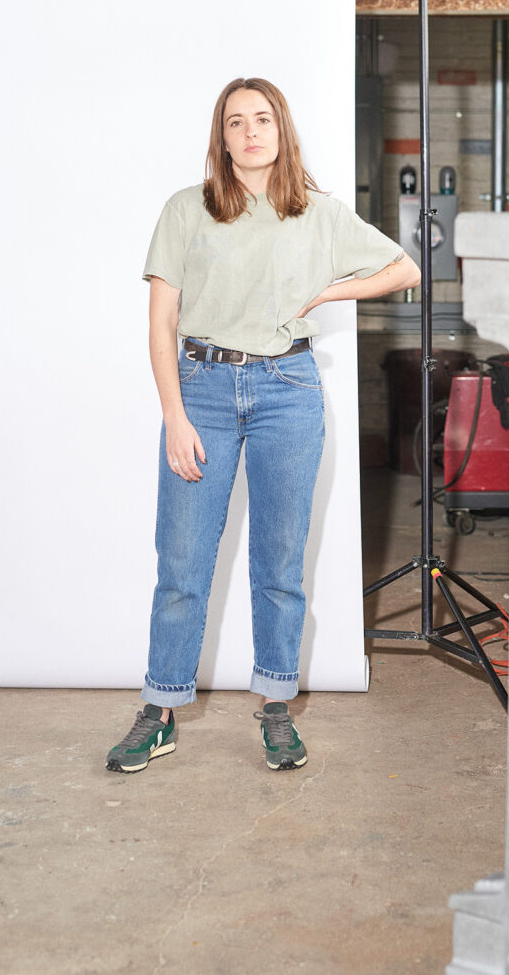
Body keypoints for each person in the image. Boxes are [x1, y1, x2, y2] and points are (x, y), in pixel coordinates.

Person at [106, 77, 420, 774]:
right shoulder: (186, 210)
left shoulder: (317, 212)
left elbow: (405, 270)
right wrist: (174, 416)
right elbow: (160, 323)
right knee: (183, 563)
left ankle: (276, 709)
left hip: (288, 391)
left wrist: (325, 290)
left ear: (282, 131)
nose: (251, 132)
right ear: (221, 138)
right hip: (204, 392)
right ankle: (158, 713)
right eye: (236, 122)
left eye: (263, 119)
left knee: (279, 563)